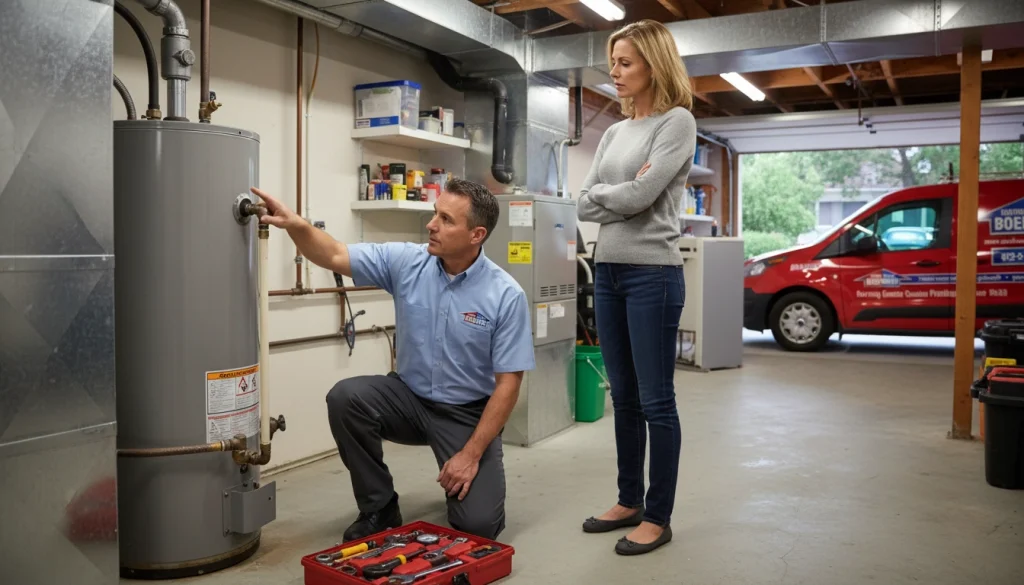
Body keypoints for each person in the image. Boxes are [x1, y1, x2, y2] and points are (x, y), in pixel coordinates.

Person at [252, 178, 536, 541]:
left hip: (467, 414)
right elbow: (335, 254)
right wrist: (297, 225)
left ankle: (465, 470)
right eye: (435, 214)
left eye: (446, 220)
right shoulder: (408, 262)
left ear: (476, 234)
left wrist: (471, 453)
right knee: (346, 397)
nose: (431, 225)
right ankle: (380, 507)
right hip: (410, 400)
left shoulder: (505, 295)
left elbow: (508, 385)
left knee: (478, 526)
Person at [575, 19, 696, 556]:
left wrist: (615, 192)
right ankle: (629, 499)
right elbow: (583, 201)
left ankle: (659, 515)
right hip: (609, 270)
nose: (615, 73)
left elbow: (644, 196)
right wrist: (616, 192)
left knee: (656, 400)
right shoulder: (615, 133)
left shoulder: (677, 122)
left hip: (654, 274)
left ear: (653, 63)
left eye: (625, 63)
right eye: (613, 62)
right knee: (621, 396)